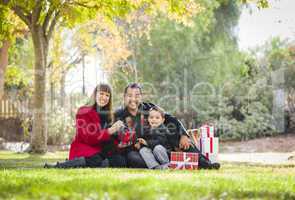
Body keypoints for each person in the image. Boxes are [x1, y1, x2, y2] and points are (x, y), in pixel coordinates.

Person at [115, 83, 220, 169]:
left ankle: (205, 163)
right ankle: (170, 163)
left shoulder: (149, 107)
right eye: (129, 95)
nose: (133, 99)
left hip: (162, 144)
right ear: (124, 97)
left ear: (141, 97)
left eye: (137, 95)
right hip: (142, 149)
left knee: (179, 139)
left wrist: (183, 134)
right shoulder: (119, 115)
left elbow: (171, 119)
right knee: (133, 158)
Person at [44, 83, 126, 168]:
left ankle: (81, 163)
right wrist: (109, 131)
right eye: (101, 93)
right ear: (95, 94)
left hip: (101, 151)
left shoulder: (109, 115)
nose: (104, 97)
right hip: (85, 148)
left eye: (107, 95)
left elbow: (109, 140)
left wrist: (120, 142)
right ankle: (60, 166)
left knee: (120, 161)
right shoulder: (83, 111)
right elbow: (88, 138)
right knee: (96, 159)